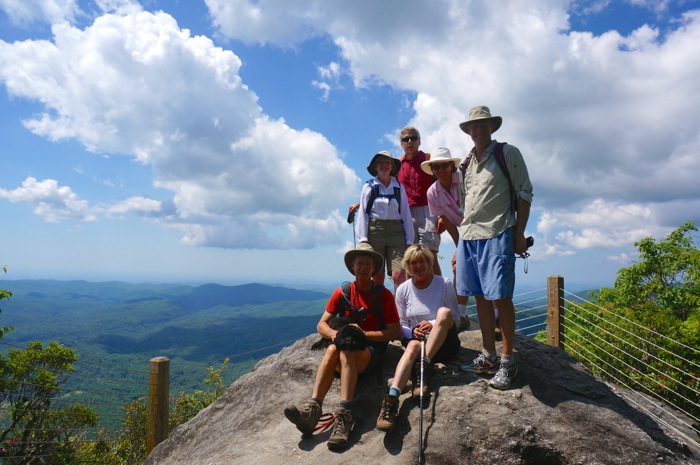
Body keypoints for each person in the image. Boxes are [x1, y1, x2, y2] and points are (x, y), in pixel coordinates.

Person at [284, 243, 402, 450]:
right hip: (344, 356)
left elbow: (394, 332)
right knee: (332, 348)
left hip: (370, 354)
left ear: (374, 268)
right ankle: (313, 411)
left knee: (346, 350)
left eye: (367, 264)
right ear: (353, 267)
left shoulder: (383, 295)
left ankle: (345, 415)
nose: (363, 268)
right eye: (359, 264)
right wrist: (333, 334)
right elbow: (321, 324)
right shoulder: (344, 292)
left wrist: (362, 334)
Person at [456, 106, 533, 390]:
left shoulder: (507, 153)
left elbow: (524, 192)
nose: (478, 130)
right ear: (468, 131)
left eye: (483, 125)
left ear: (491, 127)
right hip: (470, 235)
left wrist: (519, 233)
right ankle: (488, 355)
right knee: (479, 296)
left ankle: (507, 360)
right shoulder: (465, 163)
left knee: (500, 297)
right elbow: (467, 204)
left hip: (498, 231)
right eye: (473, 126)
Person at [375, 244, 460, 432]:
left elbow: (455, 316)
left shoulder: (443, 284)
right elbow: (400, 326)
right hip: (417, 341)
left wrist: (434, 322)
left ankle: (422, 367)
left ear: (429, 262)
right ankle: (392, 398)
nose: (419, 266)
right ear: (407, 265)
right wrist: (412, 332)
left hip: (444, 342)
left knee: (443, 312)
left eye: (422, 261)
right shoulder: (403, 290)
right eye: (414, 263)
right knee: (412, 346)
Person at [421, 146, 471, 331]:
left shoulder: (465, 181)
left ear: (451, 166)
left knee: (483, 271)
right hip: (463, 230)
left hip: (480, 227)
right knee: (460, 266)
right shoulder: (432, 192)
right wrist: (460, 246)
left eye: (443, 165)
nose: (440, 170)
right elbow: (446, 219)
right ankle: (462, 315)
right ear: (432, 170)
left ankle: (496, 317)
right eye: (436, 167)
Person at [355, 151, 414, 292]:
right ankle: (379, 309)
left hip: (396, 232)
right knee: (377, 276)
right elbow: (363, 213)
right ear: (375, 166)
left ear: (392, 167)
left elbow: (405, 213)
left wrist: (409, 240)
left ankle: (399, 312)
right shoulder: (368, 187)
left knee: (399, 274)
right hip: (375, 232)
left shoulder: (399, 187)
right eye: (381, 162)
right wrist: (363, 239)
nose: (384, 166)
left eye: (387, 163)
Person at [397, 126, 443, 277]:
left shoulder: (429, 160)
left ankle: (439, 294)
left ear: (419, 141)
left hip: (429, 210)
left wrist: (442, 215)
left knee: (430, 255)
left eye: (413, 138)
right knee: (410, 257)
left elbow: (442, 186)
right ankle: (413, 296)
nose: (409, 142)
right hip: (406, 213)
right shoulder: (397, 164)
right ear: (401, 143)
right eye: (405, 139)